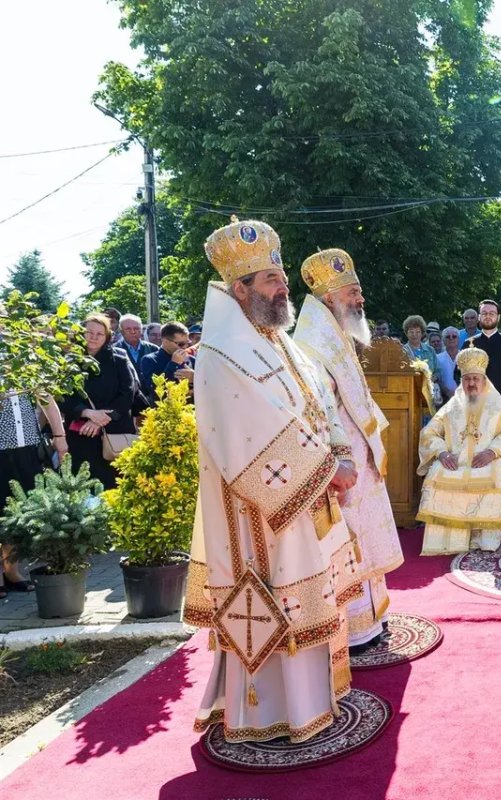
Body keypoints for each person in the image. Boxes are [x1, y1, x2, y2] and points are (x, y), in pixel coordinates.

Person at [182, 218, 361, 745]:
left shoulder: (278, 341)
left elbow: (317, 401)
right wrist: (328, 469)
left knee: (306, 592)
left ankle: (313, 700)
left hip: (302, 499)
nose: (283, 287)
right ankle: (266, 713)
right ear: (239, 290)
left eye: (280, 277)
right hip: (258, 510)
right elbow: (255, 429)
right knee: (273, 595)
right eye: (270, 281)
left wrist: (341, 452)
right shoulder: (221, 351)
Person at [294, 247, 406, 655]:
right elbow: (321, 409)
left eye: (358, 293)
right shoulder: (312, 343)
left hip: (359, 453)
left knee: (366, 536)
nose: (360, 301)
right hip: (341, 461)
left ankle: (373, 618)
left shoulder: (337, 333)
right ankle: (355, 629)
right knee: (350, 538)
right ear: (329, 298)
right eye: (352, 294)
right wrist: (341, 458)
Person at [417, 348, 501, 554]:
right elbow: (429, 433)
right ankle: (449, 540)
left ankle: (481, 537)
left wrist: (493, 452)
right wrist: (442, 453)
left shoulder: (496, 404)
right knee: (436, 472)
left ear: (483, 380)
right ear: (461, 381)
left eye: (475, 379)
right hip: (456, 460)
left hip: (487, 460)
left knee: (495, 474)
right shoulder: (452, 406)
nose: (471, 384)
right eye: (467, 379)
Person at [1, 386, 68, 598]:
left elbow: (45, 396)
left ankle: (11, 569)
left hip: (27, 446)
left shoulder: (25, 355)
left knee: (19, 509)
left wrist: (59, 435)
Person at [59, 314, 137, 489]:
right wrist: (87, 413)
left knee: (115, 484)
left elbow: (128, 393)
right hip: (81, 432)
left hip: (114, 432)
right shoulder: (69, 361)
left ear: (107, 336)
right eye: (89, 332)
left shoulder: (118, 358)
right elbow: (62, 396)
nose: (94, 337)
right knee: (84, 484)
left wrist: (101, 420)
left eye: (99, 334)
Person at [138, 321, 196, 406]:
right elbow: (156, 391)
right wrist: (173, 364)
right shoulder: (149, 360)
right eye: (180, 344)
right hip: (165, 413)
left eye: (187, 343)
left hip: (190, 413)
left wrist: (195, 378)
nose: (185, 347)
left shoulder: (192, 360)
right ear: (165, 341)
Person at [437, 326, 460, 400]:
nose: (451, 338)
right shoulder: (437, 358)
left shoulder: (465, 356)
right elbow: (436, 379)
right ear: (443, 340)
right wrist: (447, 392)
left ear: (458, 339)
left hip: (463, 397)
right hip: (443, 397)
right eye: (448, 337)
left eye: (454, 336)